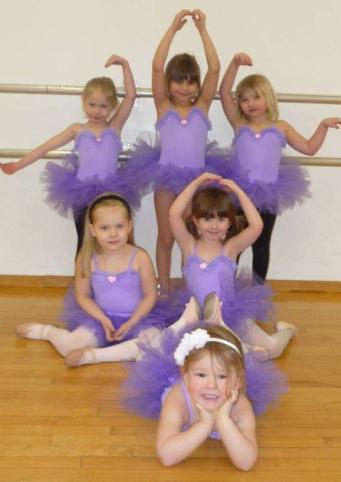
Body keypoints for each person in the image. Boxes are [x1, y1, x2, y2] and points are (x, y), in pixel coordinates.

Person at [219, 53, 341, 279]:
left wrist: (323, 126)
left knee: (261, 245)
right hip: (239, 194)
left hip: (268, 194)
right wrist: (234, 64)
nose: (250, 104)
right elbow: (223, 93)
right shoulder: (239, 124)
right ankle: (227, 293)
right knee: (233, 243)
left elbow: (309, 148)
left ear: (268, 98)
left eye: (256, 97)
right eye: (244, 99)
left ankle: (257, 293)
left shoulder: (281, 127)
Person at [121, 293, 287, 469]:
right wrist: (205, 423)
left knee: (262, 353)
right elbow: (166, 456)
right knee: (145, 358)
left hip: (223, 388)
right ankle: (185, 322)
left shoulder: (240, 405)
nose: (211, 385)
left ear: (237, 382)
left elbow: (246, 463)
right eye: (201, 375)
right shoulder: (178, 399)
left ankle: (280, 331)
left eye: (222, 376)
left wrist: (223, 419)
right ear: (185, 378)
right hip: (176, 379)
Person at [1, 55, 138, 253]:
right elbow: (45, 148)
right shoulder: (77, 130)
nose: (97, 111)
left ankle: (110, 280)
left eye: (103, 106)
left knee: (113, 242)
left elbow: (131, 96)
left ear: (112, 107)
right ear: (84, 103)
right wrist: (17, 165)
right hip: (81, 193)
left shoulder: (114, 127)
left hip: (111, 193)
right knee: (84, 242)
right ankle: (83, 281)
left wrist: (125, 65)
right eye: (92, 104)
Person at [131, 9, 220, 296]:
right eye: (179, 80)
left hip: (196, 181)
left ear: (197, 85)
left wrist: (203, 30)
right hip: (167, 180)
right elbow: (157, 65)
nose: (185, 87)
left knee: (192, 237)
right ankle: (164, 287)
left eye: (190, 81)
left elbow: (215, 68)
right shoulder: (163, 106)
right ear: (170, 82)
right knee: (167, 236)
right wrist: (173, 28)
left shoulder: (202, 106)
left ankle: (190, 287)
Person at [15, 193, 163, 365]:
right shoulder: (86, 259)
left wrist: (132, 321)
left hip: (138, 319)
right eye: (104, 228)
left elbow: (150, 294)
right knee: (70, 345)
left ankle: (92, 356)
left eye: (119, 226)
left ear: (129, 226)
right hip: (100, 319)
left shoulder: (140, 257)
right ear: (93, 230)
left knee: (155, 346)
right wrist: (103, 319)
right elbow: (83, 295)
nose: (113, 233)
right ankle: (47, 332)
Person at [168, 172, 296, 360]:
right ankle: (242, 349)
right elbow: (173, 214)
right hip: (194, 316)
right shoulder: (189, 246)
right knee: (198, 354)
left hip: (229, 315)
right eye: (207, 218)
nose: (214, 225)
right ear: (195, 220)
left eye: (221, 219)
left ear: (229, 223)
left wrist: (237, 190)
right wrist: (197, 182)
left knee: (272, 350)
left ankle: (287, 331)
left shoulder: (230, 249)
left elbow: (257, 225)